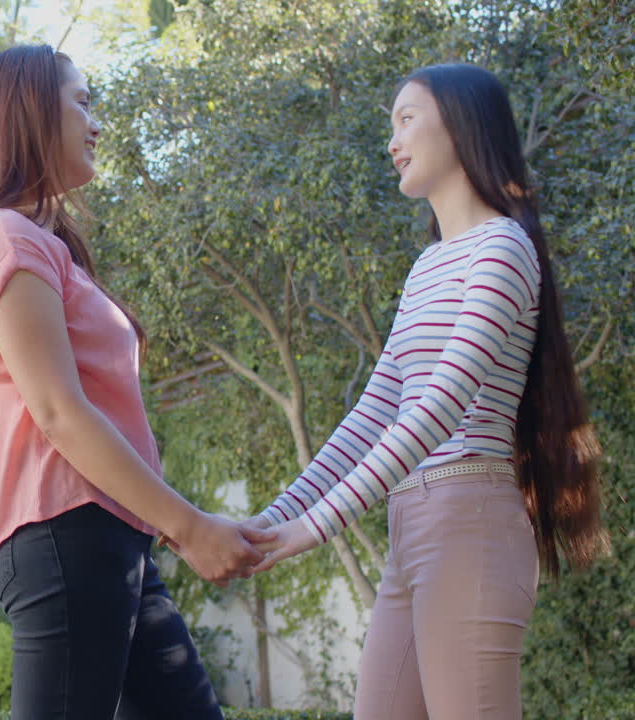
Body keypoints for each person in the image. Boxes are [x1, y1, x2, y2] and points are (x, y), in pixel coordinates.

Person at [246, 64, 608, 719]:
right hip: (410, 529)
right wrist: (270, 522)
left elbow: (439, 406)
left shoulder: (504, 249)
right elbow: (377, 409)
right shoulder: (429, 264)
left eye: (406, 118)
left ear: (461, 125)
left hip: (470, 523)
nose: (393, 139)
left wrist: (316, 527)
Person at [0, 44, 273, 720]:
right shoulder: (8, 241)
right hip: (65, 532)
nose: (95, 123)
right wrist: (191, 528)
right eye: (81, 102)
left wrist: (174, 528)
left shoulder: (33, 240)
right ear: (31, 112)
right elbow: (58, 410)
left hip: (105, 538)